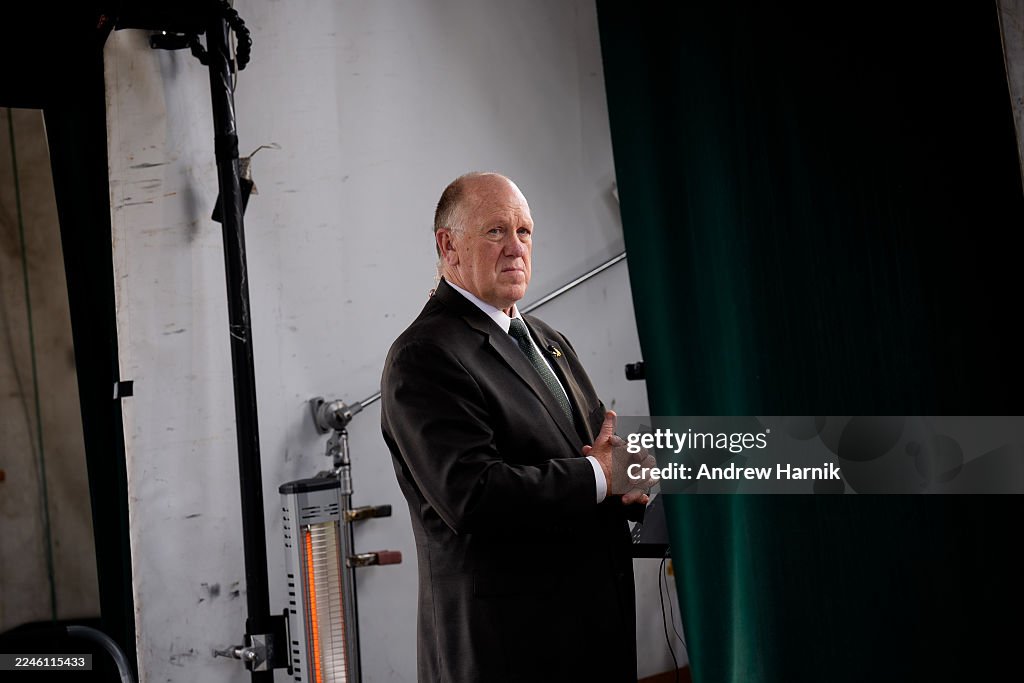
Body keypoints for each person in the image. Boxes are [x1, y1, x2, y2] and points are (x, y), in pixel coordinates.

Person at [381, 172, 655, 682]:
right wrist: (600, 476)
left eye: (524, 232)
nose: (515, 248)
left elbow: (593, 451)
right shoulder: (424, 356)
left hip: (589, 638)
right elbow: (472, 494)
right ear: (449, 245)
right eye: (496, 232)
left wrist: (628, 485)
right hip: (507, 652)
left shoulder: (546, 339)